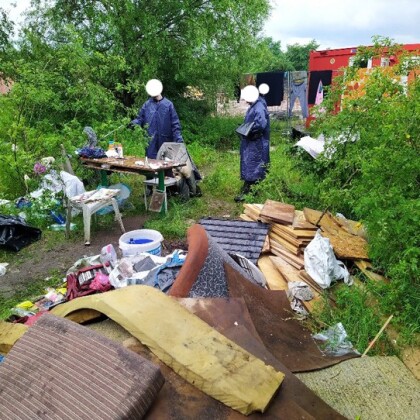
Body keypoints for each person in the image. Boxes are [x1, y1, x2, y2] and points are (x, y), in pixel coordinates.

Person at [129, 79, 183, 159]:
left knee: (166, 166)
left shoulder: (168, 105)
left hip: (166, 142)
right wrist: (131, 123)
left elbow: (175, 124)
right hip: (151, 142)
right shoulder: (147, 105)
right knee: (152, 166)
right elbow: (140, 119)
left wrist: (179, 140)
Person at [235, 85, 270, 202]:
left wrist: (248, 130)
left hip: (256, 141)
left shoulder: (259, 106)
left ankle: (249, 192)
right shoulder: (256, 104)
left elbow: (260, 124)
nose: (245, 101)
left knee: (252, 165)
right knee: (251, 164)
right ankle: (250, 188)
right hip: (253, 141)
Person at [258, 83, 271, 169]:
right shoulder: (261, 101)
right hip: (264, 132)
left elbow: (261, 123)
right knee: (264, 148)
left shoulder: (259, 105)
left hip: (261, 133)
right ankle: (265, 167)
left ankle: (264, 169)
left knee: (262, 149)